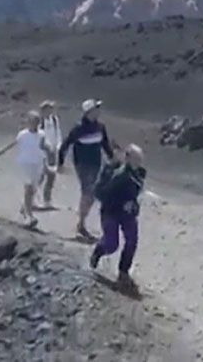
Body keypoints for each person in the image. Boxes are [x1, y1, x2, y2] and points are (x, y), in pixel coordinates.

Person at [89, 144, 147, 288]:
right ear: (128, 158)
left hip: (128, 213)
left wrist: (133, 205)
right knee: (111, 244)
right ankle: (98, 251)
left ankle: (123, 272)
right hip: (111, 212)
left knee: (132, 240)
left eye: (140, 158)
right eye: (136, 158)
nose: (139, 161)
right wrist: (122, 203)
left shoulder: (139, 174)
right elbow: (103, 194)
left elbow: (137, 193)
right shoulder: (118, 174)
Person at [59, 99, 116, 240]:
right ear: (89, 112)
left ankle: (82, 221)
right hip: (82, 164)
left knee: (93, 193)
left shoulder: (100, 127)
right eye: (96, 108)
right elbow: (65, 144)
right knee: (87, 192)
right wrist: (60, 163)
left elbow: (105, 144)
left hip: (96, 163)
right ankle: (81, 224)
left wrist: (112, 158)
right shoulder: (79, 128)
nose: (99, 111)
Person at [0, 111, 51, 229]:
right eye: (32, 121)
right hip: (25, 163)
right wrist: (0, 152)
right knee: (28, 187)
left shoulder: (42, 134)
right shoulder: (23, 134)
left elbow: (42, 147)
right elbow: (13, 144)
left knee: (33, 189)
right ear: (28, 122)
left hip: (37, 163)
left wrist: (49, 154)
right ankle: (29, 216)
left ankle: (25, 208)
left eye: (36, 122)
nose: (34, 124)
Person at [38, 100, 62, 209]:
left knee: (51, 177)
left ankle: (47, 200)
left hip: (53, 152)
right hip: (42, 152)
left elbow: (58, 133)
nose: (50, 111)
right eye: (48, 109)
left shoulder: (55, 120)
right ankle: (31, 199)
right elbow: (39, 137)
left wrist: (58, 146)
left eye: (51, 109)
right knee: (40, 177)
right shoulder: (40, 122)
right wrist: (47, 147)